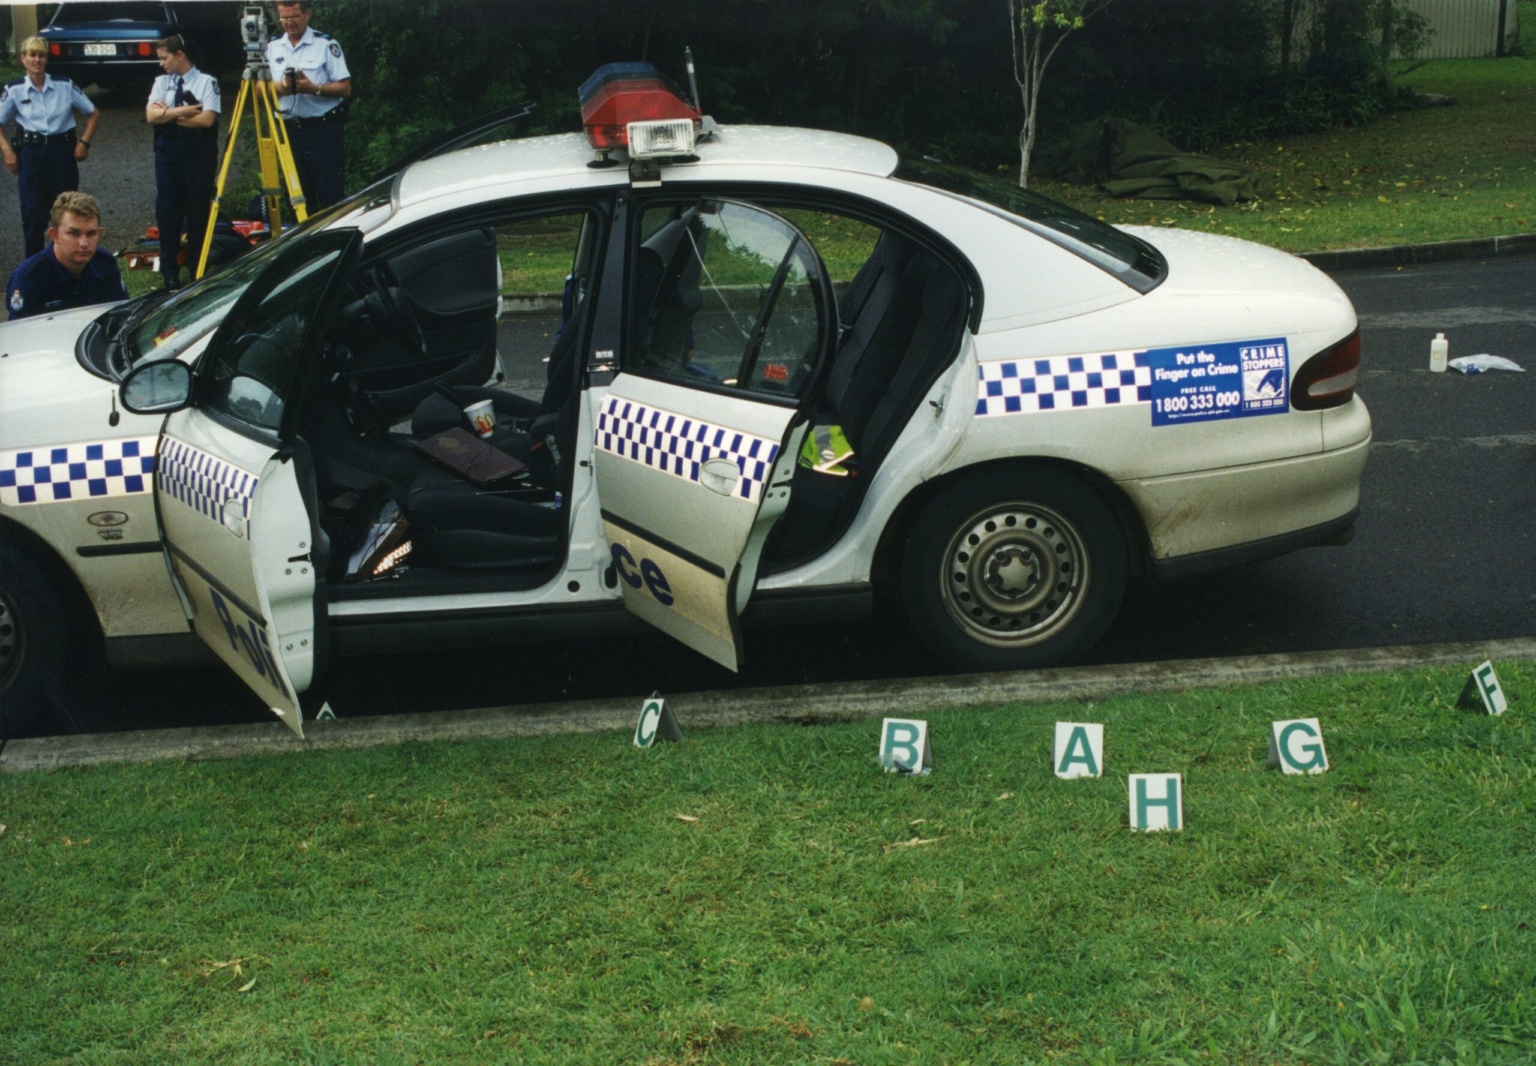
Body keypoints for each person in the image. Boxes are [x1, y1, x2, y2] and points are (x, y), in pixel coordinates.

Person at [0, 36, 100, 258]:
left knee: (67, 213)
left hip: (62, 153)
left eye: (42, 55)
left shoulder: (64, 85)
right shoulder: (14, 89)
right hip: (31, 155)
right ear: (23, 59)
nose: (37, 60)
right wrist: (7, 151)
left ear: (47, 58)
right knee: (34, 216)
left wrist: (84, 142)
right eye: (32, 55)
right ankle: (35, 267)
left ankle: (68, 260)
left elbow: (93, 113)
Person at [146, 35, 221, 291]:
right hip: (168, 153)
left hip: (197, 153)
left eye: (164, 58)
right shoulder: (161, 82)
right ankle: (170, 272)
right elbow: (150, 115)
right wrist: (182, 112)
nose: (161, 63)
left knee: (197, 209)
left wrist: (166, 115)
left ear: (179, 55)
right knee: (168, 211)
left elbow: (207, 120)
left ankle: (197, 267)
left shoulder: (206, 82)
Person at [266, 1, 352, 211]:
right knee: (297, 199)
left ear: (307, 14)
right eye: (284, 17)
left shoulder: (325, 44)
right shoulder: (272, 45)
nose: (288, 23)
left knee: (330, 196)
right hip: (289, 133)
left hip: (323, 131)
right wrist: (281, 87)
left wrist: (313, 88)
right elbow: (257, 88)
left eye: (294, 16)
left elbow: (345, 88)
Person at [6, 191, 128, 321]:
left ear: (99, 233)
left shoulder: (105, 263)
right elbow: (21, 335)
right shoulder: (28, 279)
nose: (84, 243)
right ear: (54, 235)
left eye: (91, 233)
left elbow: (122, 316)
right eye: (74, 233)